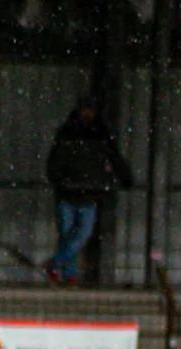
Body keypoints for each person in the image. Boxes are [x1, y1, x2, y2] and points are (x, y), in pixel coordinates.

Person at [45, 99, 134, 285]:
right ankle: (67, 272)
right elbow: (114, 157)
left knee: (74, 235)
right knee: (74, 235)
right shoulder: (95, 134)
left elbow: (113, 157)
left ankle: (60, 266)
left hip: (78, 193)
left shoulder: (84, 134)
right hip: (79, 193)